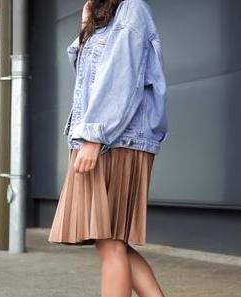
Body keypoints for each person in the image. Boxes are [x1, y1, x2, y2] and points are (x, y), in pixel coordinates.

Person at [48, 0, 168, 296]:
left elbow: (120, 78)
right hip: (105, 137)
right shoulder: (107, 15)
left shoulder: (132, 9)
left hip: (116, 140)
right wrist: (85, 25)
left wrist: (92, 139)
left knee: (111, 243)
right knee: (112, 242)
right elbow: (87, 78)